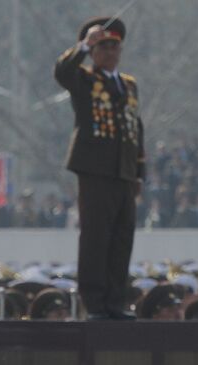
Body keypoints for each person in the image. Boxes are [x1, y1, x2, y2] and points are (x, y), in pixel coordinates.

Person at [54, 16, 145, 320]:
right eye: (103, 47)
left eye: (114, 46)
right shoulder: (84, 79)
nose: (109, 52)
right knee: (96, 237)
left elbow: (135, 129)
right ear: (93, 51)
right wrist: (83, 44)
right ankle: (95, 304)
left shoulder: (129, 85)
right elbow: (62, 71)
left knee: (122, 238)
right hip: (95, 170)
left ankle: (115, 302)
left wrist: (139, 173)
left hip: (124, 172)